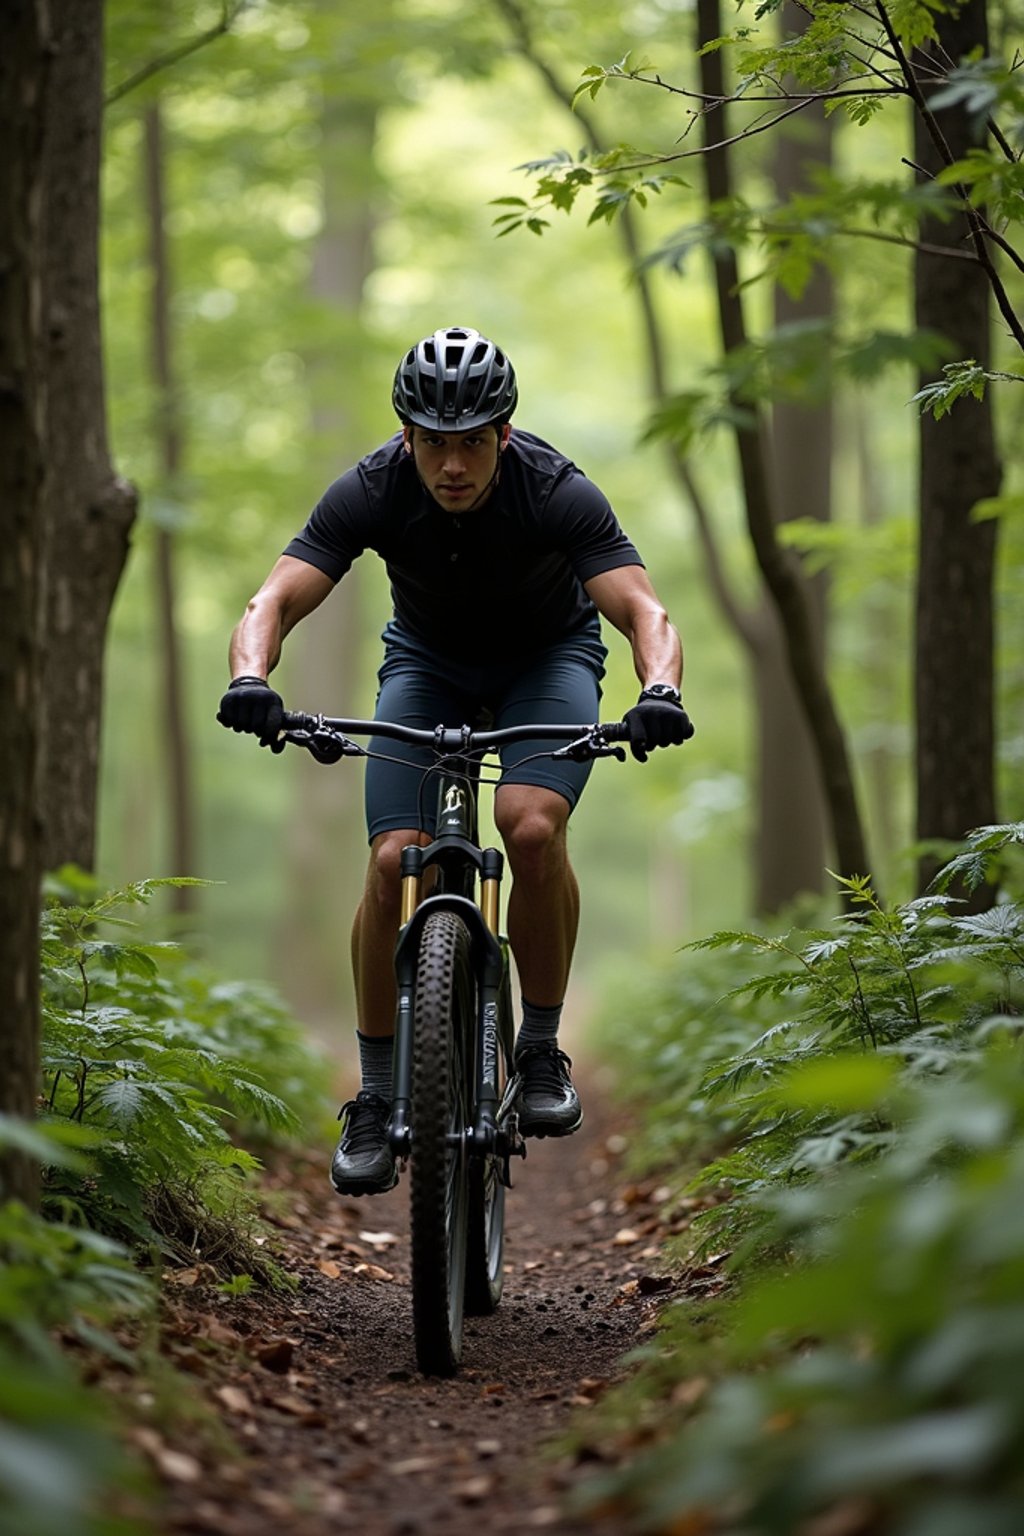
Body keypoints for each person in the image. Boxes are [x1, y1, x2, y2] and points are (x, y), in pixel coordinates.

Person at [218, 325, 693, 1197]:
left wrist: (658, 691)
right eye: (433, 443)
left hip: (546, 663)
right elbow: (275, 596)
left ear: (503, 434)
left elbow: (644, 613)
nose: (452, 465)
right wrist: (251, 674)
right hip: (426, 667)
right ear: (407, 436)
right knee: (392, 852)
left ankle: (541, 1049)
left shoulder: (557, 491)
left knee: (531, 824)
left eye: (472, 442)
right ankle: (373, 1093)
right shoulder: (371, 488)